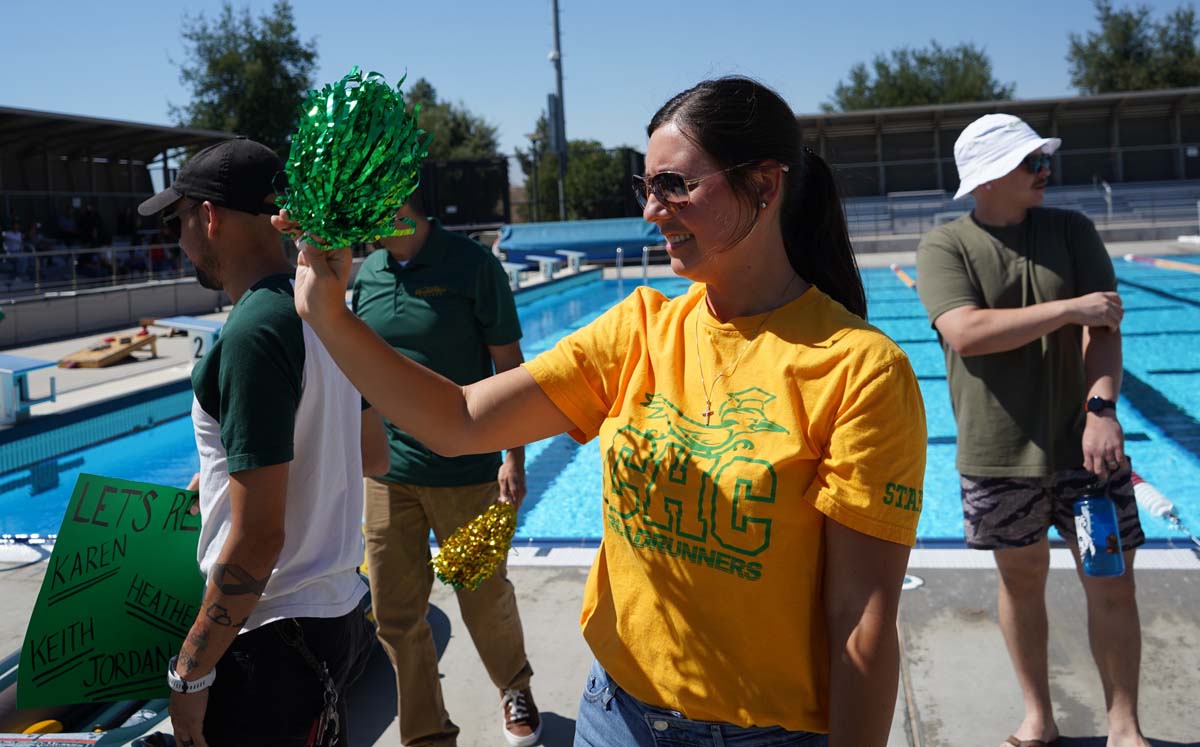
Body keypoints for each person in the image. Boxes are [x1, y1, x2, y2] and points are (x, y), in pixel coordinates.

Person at [280, 76, 927, 747]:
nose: (653, 209)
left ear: (764, 186)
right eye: (645, 188)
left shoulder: (859, 371)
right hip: (616, 719)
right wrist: (328, 314)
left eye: (674, 185)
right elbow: (461, 420)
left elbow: (861, 618)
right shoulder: (638, 329)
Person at [137, 137, 383, 747]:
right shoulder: (326, 310)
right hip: (339, 618)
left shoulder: (251, 333)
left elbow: (259, 537)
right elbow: (373, 454)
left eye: (179, 218)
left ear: (211, 216)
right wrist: (228, 472)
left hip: (268, 645)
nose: (179, 237)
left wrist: (190, 674)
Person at [915, 114, 1149, 747]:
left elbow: (1106, 329)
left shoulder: (1071, 230)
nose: (1046, 173)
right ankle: (1037, 718)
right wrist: (1070, 308)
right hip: (996, 453)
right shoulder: (947, 247)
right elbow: (967, 333)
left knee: (1111, 581)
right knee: (1021, 584)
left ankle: (1124, 728)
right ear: (989, 177)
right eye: (1031, 164)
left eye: (1042, 162)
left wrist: (1103, 411)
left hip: (1087, 448)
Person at [352, 193, 541, 747]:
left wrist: (514, 456)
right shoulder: (369, 275)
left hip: (466, 472)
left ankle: (514, 686)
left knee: (484, 597)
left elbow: (509, 368)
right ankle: (426, 733)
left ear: (399, 201)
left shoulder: (472, 265)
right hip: (389, 476)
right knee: (394, 613)